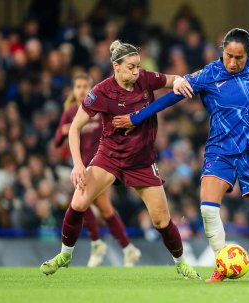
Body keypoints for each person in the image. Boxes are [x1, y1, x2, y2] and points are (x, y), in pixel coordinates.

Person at [113, 28, 249, 282]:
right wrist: (136, 118)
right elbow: (170, 98)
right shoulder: (207, 75)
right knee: (208, 210)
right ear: (223, 51)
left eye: (238, 58)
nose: (232, 62)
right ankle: (222, 262)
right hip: (221, 151)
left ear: (247, 56)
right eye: (228, 56)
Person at [40, 40, 201, 280]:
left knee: (161, 220)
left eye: (138, 66)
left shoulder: (145, 79)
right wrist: (78, 164)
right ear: (116, 66)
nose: (136, 72)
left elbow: (171, 79)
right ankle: (65, 254)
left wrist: (178, 80)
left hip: (143, 160)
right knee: (79, 202)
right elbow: (74, 128)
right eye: (131, 67)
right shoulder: (101, 92)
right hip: (110, 156)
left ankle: (181, 263)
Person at [54, 73, 141, 267]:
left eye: (86, 86)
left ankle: (98, 243)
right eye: (78, 86)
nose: (82, 90)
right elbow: (57, 141)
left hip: (101, 166)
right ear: (73, 90)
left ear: (92, 89)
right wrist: (67, 129)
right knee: (103, 208)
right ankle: (127, 248)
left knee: (84, 204)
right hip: (80, 167)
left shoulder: (100, 109)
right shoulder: (70, 113)